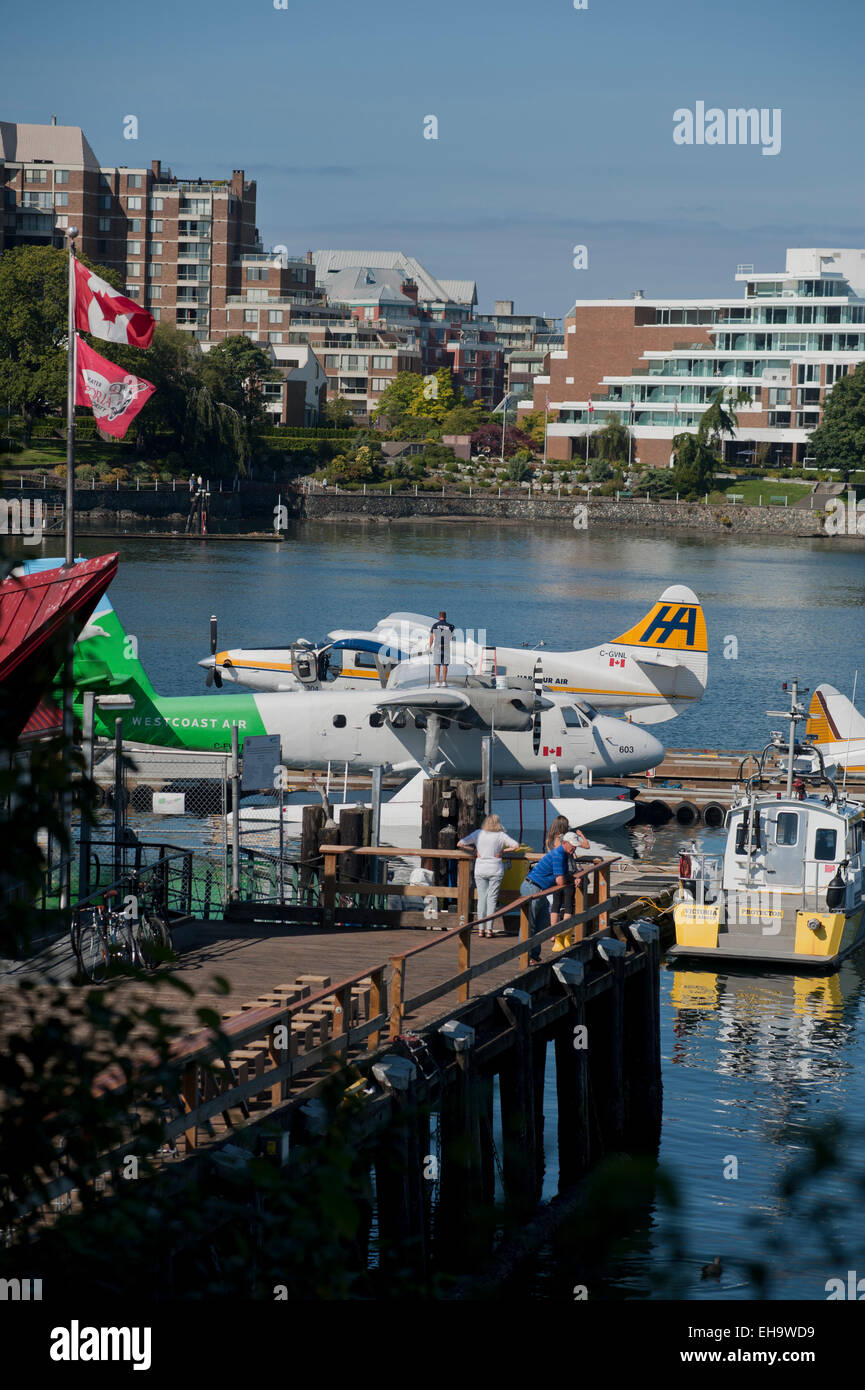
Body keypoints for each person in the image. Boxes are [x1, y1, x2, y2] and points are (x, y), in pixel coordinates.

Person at [458, 814, 520, 937]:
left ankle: (480, 929)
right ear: (498, 824)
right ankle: (489, 930)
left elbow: (460, 843)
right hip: (495, 870)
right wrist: (503, 851)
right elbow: (516, 846)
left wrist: (474, 850)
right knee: (492, 900)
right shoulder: (501, 835)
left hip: (480, 869)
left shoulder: (478, 833)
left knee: (482, 899)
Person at [519, 835, 570, 964]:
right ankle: (524, 955)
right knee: (529, 922)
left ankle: (534, 954)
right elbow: (560, 880)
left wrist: (570, 877)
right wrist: (567, 879)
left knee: (542, 923)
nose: (575, 848)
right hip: (532, 887)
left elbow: (563, 876)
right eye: (573, 845)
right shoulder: (558, 855)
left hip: (541, 890)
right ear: (565, 843)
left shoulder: (564, 855)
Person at [429, 610, 455, 687]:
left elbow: (432, 637)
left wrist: (429, 647)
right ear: (445, 617)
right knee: (445, 665)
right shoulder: (450, 626)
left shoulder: (435, 625)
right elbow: (451, 638)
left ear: (439, 617)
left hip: (437, 647)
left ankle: (437, 682)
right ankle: (444, 682)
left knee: (437, 665)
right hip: (446, 647)